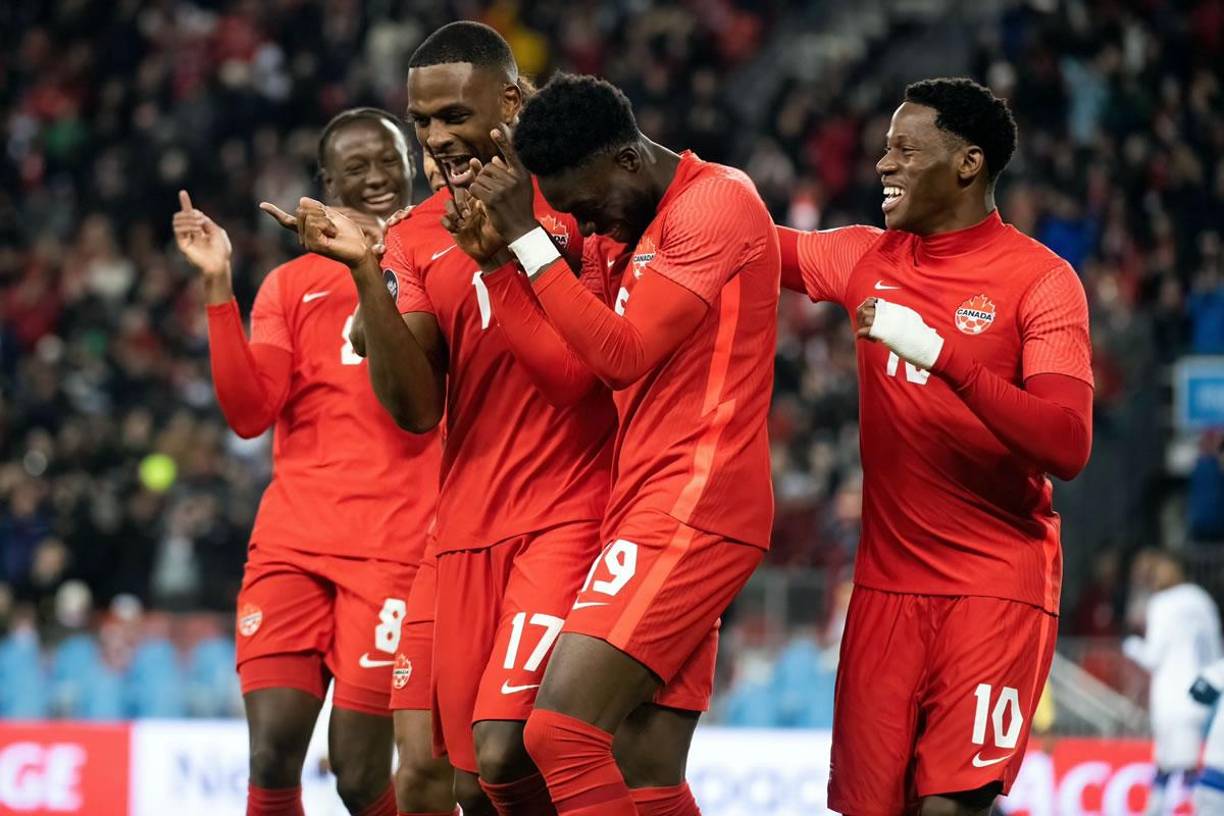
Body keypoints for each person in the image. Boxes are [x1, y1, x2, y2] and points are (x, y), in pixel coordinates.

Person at [262, 22, 615, 816]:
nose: (438, 138)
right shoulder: (419, 238)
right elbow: (416, 407)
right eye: (424, 121)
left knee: (503, 755)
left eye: (456, 115)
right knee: (432, 776)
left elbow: (587, 371)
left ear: (511, 102)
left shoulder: (581, 201)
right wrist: (364, 271)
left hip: (567, 518)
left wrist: (517, 248)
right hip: (455, 534)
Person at [448, 72, 779, 816]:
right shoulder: (622, 234)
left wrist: (531, 241)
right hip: (647, 502)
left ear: (629, 160)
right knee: (644, 767)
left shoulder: (716, 202)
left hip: (695, 502)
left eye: (590, 205)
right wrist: (501, 268)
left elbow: (624, 354)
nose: (590, 227)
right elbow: (578, 371)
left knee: (559, 734)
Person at [776, 77, 1094, 815]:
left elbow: (1068, 443)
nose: (882, 165)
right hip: (884, 593)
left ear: (967, 163)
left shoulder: (1042, 282)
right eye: (884, 149)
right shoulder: (863, 259)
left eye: (903, 149)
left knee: (951, 808)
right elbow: (744, 241)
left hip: (993, 584)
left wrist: (944, 357)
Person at [173, 108, 451, 816]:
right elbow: (248, 414)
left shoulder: (444, 256)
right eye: (355, 167)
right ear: (328, 183)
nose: (377, 177)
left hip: (396, 548)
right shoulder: (291, 286)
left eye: (388, 159)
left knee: (360, 778)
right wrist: (216, 285)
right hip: (291, 546)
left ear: (412, 164)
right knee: (269, 759)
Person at [1125, 549, 1222, 816]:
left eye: (1159, 569)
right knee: (1177, 765)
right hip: (1199, 700)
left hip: (1170, 701)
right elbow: (1215, 653)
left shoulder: (1163, 602)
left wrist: (1131, 646)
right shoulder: (1203, 600)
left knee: (1178, 768)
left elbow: (1153, 656)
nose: (1155, 575)